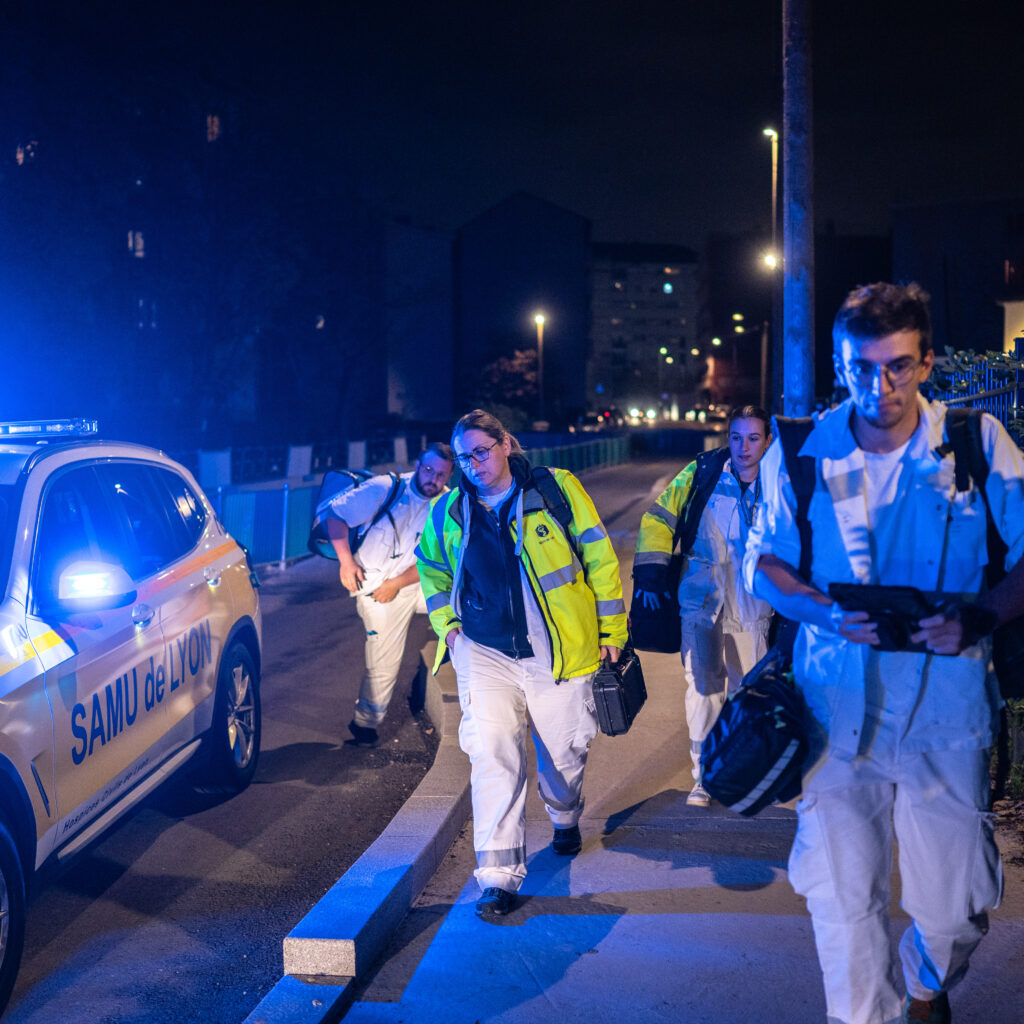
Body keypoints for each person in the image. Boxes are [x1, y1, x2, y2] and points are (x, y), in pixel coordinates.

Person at [743, 282, 1024, 1024]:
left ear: (926, 361)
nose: (880, 385)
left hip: (948, 714)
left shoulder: (976, 441)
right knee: (843, 903)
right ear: (842, 365)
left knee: (957, 909)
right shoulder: (802, 449)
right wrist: (826, 613)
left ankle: (925, 988)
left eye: (898, 365)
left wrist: (980, 617)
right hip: (835, 720)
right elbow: (765, 562)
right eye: (861, 368)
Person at [416, 409, 627, 919]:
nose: (472, 465)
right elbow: (432, 570)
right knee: (493, 755)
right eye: (464, 457)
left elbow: (599, 558)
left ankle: (564, 814)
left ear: (506, 444)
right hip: (485, 653)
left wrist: (612, 632)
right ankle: (497, 877)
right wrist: (449, 628)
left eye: (481, 452)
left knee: (565, 754)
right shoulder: (449, 511)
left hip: (557, 653)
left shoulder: (555, 489)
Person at [632, 406, 775, 806]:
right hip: (701, 599)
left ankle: (748, 771)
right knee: (703, 688)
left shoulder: (779, 481)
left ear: (767, 440)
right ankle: (706, 775)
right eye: (736, 437)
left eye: (753, 438)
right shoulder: (704, 471)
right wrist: (650, 575)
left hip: (755, 604)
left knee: (752, 691)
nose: (743, 447)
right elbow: (659, 517)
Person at [327, 443, 454, 747]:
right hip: (377, 588)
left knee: (470, 602)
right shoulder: (385, 488)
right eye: (428, 470)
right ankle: (365, 725)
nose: (432, 479)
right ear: (417, 464)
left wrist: (398, 582)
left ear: (450, 475)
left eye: (441, 474)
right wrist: (346, 562)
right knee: (385, 659)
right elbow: (336, 516)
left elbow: (437, 560)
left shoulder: (448, 504)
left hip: (414, 583)